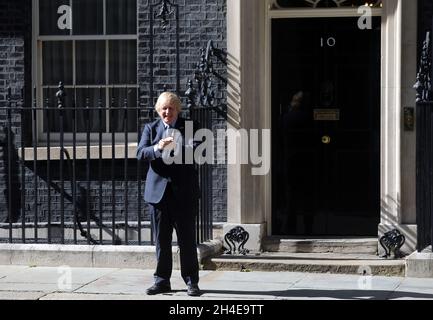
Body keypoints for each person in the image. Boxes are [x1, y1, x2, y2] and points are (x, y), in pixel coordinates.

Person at [136, 92, 201, 296]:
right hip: (159, 196)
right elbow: (140, 153)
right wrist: (157, 147)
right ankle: (162, 281)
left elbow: (199, 152)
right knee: (162, 241)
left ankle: (191, 281)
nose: (167, 112)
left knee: (187, 241)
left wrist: (177, 146)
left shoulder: (190, 127)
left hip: (184, 195)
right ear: (158, 111)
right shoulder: (151, 128)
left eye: (171, 108)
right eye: (164, 108)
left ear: (177, 110)